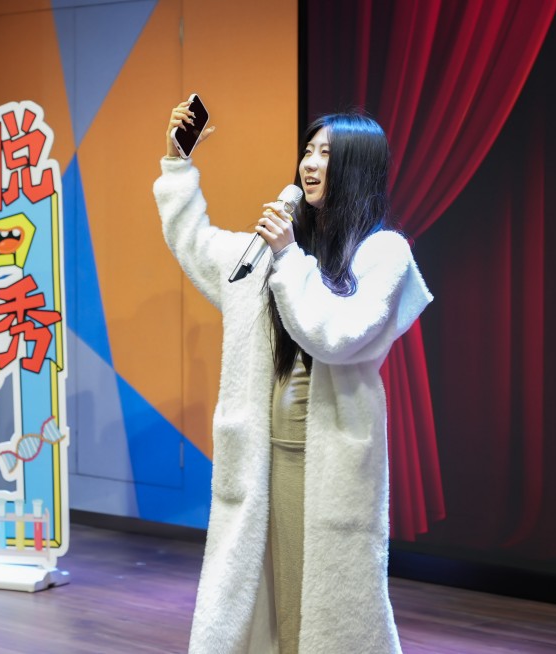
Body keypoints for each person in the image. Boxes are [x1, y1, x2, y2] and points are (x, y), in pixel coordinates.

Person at [153, 98, 432, 653]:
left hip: (324, 460)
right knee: (266, 600)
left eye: (326, 153)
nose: (309, 164)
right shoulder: (270, 250)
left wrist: (288, 258)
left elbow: (336, 334)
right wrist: (177, 165)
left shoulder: (383, 253)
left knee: (323, 606)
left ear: (356, 167)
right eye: (307, 151)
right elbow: (197, 243)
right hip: (263, 454)